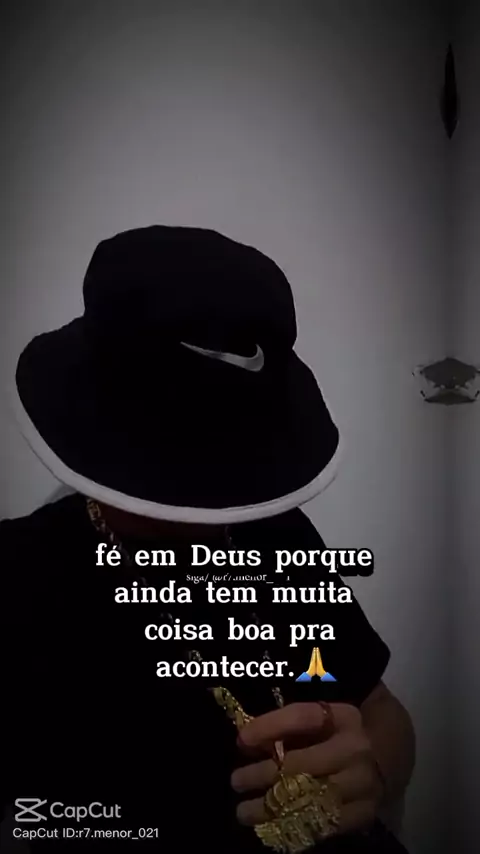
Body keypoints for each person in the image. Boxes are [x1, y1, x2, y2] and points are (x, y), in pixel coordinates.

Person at [1, 226, 414, 852]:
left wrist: (373, 771)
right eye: (173, 451)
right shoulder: (18, 573)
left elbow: (382, 708)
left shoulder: (279, 533)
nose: (209, 505)